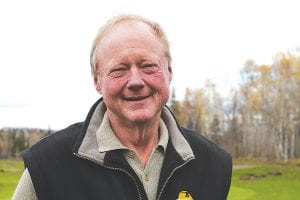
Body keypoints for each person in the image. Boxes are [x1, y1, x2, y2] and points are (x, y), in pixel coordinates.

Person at [13, 14, 232, 200]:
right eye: (119, 69)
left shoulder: (213, 164)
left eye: (148, 66)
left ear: (169, 71)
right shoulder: (47, 166)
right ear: (97, 81)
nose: (135, 81)